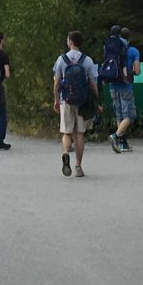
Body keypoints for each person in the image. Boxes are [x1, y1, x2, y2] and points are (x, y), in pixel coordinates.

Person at [51, 30, 100, 179]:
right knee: (80, 133)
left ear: (71, 42)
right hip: (82, 101)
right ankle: (78, 166)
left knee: (66, 132)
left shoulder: (61, 59)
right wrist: (97, 101)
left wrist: (56, 99)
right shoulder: (87, 60)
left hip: (66, 99)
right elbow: (93, 83)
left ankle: (66, 153)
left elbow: (57, 82)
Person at [101, 24, 141, 155]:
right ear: (128, 38)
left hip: (113, 85)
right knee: (128, 116)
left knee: (119, 115)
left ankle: (122, 144)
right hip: (126, 86)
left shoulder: (110, 47)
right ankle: (116, 136)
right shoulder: (133, 51)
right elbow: (137, 71)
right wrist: (131, 73)